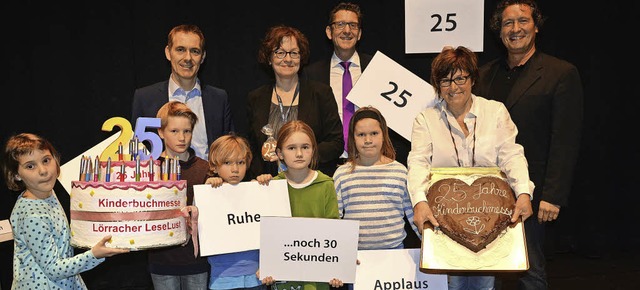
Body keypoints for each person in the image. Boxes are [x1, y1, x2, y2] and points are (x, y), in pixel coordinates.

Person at [472, 1, 584, 288]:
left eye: (523, 21)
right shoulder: (483, 75)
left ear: (536, 26)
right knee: (486, 270)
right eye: (508, 23)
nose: (515, 29)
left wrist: (553, 195)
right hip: (488, 192)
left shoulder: (560, 73)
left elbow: (565, 139)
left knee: (530, 269)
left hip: (533, 193)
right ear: (499, 32)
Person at [406, 46, 534, 290]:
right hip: (444, 221)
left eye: (460, 78)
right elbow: (418, 162)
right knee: (451, 285)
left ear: (472, 79)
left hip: (489, 216)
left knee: (484, 284)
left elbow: (512, 155)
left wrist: (524, 192)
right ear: (437, 85)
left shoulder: (495, 111)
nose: (453, 87)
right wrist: (420, 202)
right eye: (445, 80)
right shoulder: (425, 119)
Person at [2, 133, 129, 289]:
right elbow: (53, 269)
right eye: (30, 166)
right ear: (16, 175)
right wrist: (94, 255)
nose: (43, 170)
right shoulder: (31, 216)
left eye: (46, 160)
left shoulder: (48, 193)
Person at [302, 2, 411, 172]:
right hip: (327, 165)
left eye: (353, 25)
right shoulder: (312, 74)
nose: (347, 31)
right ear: (329, 32)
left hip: (373, 162)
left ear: (359, 33)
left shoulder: (378, 68)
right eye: (340, 24)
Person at [246, 25, 343, 180]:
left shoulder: (321, 93)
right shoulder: (256, 98)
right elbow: (252, 147)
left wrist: (302, 156)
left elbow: (336, 142)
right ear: (269, 58)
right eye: (280, 53)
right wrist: (260, 175)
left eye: (294, 53)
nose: (288, 59)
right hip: (270, 184)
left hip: (311, 180)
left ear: (301, 57)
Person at [258, 120, 343, 290]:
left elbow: (334, 233)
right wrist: (266, 266)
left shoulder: (326, 185)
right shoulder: (271, 186)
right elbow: (266, 234)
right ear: (280, 153)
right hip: (283, 279)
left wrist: (339, 267)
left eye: (305, 147)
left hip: (318, 280)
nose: (299, 153)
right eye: (291, 148)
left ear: (313, 151)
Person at [132, 24, 235, 160]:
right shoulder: (145, 98)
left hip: (209, 180)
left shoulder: (219, 99)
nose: (188, 58)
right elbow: (137, 151)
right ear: (168, 53)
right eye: (180, 50)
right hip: (163, 180)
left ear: (203, 57)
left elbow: (228, 150)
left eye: (195, 51)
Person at [333, 106, 420, 250]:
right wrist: (340, 253)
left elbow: (414, 215)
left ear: (384, 135)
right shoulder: (342, 174)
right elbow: (334, 219)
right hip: (355, 255)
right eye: (361, 135)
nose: (368, 140)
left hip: (394, 252)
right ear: (353, 138)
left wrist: (431, 247)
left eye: (374, 133)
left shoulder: (399, 171)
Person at [148, 101, 210, 290]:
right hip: (161, 259)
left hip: (197, 260)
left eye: (187, 131)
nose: (182, 138)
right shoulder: (149, 168)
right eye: (174, 131)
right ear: (161, 132)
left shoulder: (205, 168)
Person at [204, 133, 271, 290]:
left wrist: (266, 184)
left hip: (256, 276)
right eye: (227, 162)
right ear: (214, 166)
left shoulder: (256, 188)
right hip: (222, 279)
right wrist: (208, 189)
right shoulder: (208, 192)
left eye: (240, 162)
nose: (235, 169)